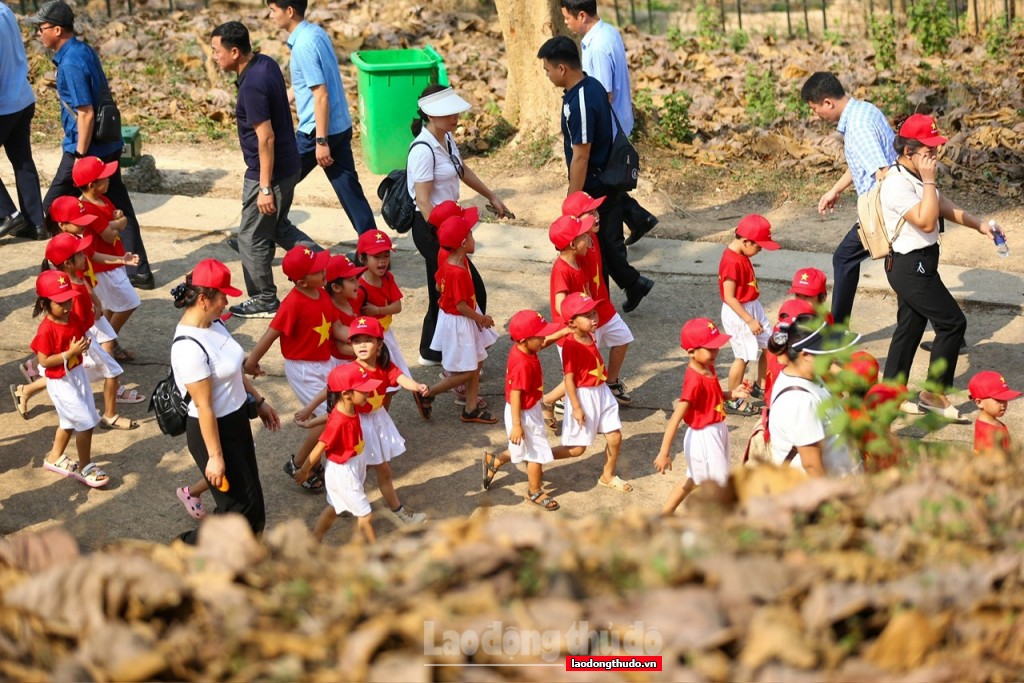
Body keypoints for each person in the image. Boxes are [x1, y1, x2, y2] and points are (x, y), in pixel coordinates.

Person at [879, 114, 1001, 420]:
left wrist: (979, 225)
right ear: (908, 151)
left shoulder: (917, 176)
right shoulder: (896, 184)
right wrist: (930, 179)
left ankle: (889, 394)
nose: (934, 156)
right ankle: (934, 393)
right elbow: (926, 220)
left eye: (936, 149)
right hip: (909, 266)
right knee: (952, 323)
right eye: (928, 151)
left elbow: (943, 205)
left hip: (921, 263)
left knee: (910, 327)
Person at [29, 0, 153, 287]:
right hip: (107, 146)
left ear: (57, 30)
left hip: (86, 151)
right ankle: (139, 270)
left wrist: (79, 159)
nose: (38, 34)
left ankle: (62, 267)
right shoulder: (83, 50)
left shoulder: (70, 62)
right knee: (118, 203)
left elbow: (84, 113)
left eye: (41, 28)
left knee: (53, 210)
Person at [210, 20, 320, 319]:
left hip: (271, 171)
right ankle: (326, 265)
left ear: (234, 52)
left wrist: (265, 187)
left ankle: (264, 298)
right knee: (277, 227)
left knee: (251, 237)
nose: (214, 57)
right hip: (286, 164)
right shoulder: (265, 63)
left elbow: (266, 137)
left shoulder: (253, 86)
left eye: (216, 51)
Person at [538, 35, 654, 313]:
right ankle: (632, 284)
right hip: (605, 180)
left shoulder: (579, 101)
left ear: (562, 69)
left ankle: (613, 296)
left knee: (601, 243)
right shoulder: (592, 85)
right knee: (605, 242)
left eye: (548, 70)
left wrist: (572, 201)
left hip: (595, 185)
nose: (548, 75)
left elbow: (581, 155)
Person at [170, 259, 280, 543]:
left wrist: (258, 401)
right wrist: (215, 457)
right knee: (236, 512)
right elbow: (204, 406)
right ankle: (186, 547)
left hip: (236, 422)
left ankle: (247, 560)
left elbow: (230, 371)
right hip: (213, 430)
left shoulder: (214, 323)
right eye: (222, 295)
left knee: (253, 505)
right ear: (204, 299)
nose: (227, 301)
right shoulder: (188, 347)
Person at [407, 84, 510, 366]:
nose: (455, 118)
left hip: (449, 228)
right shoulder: (422, 150)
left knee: (441, 291)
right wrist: (447, 239)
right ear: (431, 115)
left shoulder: (447, 139)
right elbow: (425, 202)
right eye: (448, 112)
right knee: (467, 290)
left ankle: (433, 352)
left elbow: (461, 170)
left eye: (455, 112)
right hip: (433, 229)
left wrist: (491, 196)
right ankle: (457, 355)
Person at [266, 0, 375, 236]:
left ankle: (256, 238)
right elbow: (304, 84)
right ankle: (374, 246)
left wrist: (321, 142)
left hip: (317, 131)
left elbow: (321, 95)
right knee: (349, 190)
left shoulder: (303, 45)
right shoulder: (316, 34)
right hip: (339, 125)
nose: (270, 15)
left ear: (289, 11)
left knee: (275, 181)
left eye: (273, 10)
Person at [558, 0, 658, 246]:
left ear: (582, 15)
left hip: (608, 129)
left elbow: (603, 94)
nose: (565, 23)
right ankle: (638, 218)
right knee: (609, 180)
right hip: (618, 121)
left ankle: (611, 235)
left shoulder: (599, 47)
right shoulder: (607, 32)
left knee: (603, 181)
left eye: (567, 17)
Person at [800, 72, 896, 325]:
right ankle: (949, 328)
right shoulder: (865, 110)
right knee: (908, 276)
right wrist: (836, 189)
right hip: (888, 209)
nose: (816, 115)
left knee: (844, 258)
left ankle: (837, 330)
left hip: (883, 211)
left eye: (815, 108)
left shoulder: (858, 127)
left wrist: (882, 219)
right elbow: (862, 163)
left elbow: (882, 172)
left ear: (828, 103)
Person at [243, 245, 342, 489]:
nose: (323, 270)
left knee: (336, 414)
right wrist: (251, 363)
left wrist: (365, 336)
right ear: (301, 281)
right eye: (317, 270)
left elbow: (337, 328)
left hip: (325, 363)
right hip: (303, 369)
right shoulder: (293, 303)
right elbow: (271, 334)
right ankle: (300, 464)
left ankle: (312, 462)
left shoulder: (322, 294)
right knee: (329, 419)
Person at [482, 310, 582, 512]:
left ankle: (494, 460)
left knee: (522, 449)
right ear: (526, 339)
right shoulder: (521, 363)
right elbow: (516, 395)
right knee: (536, 452)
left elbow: (544, 342)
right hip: (522, 412)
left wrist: (562, 332)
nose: (544, 338)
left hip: (528, 408)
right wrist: (517, 425)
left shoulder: (525, 348)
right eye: (540, 335)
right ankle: (534, 492)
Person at [413, 208, 499, 424]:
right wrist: (482, 320)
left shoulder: (451, 261)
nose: (473, 237)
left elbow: (437, 284)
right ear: (462, 243)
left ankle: (470, 408)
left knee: (477, 361)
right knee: (469, 370)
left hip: (459, 317)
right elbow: (461, 306)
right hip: (462, 320)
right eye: (470, 234)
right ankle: (429, 392)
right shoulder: (457, 271)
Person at [654, 318, 749, 514]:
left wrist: (732, 394)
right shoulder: (693, 382)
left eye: (717, 347)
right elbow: (676, 418)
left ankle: (664, 515)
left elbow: (713, 395)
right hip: (705, 436)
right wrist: (664, 453)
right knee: (718, 486)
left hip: (717, 429)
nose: (717, 352)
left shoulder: (708, 367)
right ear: (691, 352)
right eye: (710, 348)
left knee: (693, 480)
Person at [31, 270, 108, 487]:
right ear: (45, 304)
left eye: (68, 301)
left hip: (76, 374)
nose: (66, 307)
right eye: (60, 303)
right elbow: (44, 361)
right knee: (86, 422)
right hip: (61, 381)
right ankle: (86, 466)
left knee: (68, 421)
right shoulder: (46, 329)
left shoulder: (71, 317)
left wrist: (82, 346)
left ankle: (54, 457)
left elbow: (80, 333)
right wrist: (70, 352)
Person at [766, 314, 863, 478]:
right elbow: (812, 465)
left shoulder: (809, 376)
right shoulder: (799, 401)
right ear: (806, 355)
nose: (833, 357)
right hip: (821, 494)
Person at [294, 363, 379, 544]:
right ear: (346, 394)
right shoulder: (338, 422)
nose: (368, 393)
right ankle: (377, 552)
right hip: (344, 472)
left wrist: (310, 423)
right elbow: (319, 447)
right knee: (366, 515)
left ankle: (314, 541)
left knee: (334, 507)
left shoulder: (348, 408)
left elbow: (329, 415)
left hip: (354, 464)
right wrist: (304, 470)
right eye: (363, 390)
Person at [559, 292, 632, 492]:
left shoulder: (591, 335)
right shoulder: (571, 346)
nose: (595, 318)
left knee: (615, 435)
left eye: (594, 313)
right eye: (588, 316)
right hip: (584, 396)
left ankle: (607, 475)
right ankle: (537, 457)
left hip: (601, 392)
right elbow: (569, 379)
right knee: (576, 450)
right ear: (572, 323)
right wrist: (576, 407)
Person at [73, 156, 141, 360]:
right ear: (92, 185)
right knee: (129, 302)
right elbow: (110, 232)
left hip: (113, 262)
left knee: (112, 306)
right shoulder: (88, 208)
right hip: (103, 267)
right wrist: (117, 223)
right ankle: (106, 341)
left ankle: (107, 341)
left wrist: (115, 222)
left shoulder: (103, 200)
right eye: (104, 177)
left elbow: (120, 219)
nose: (109, 179)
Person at [718, 214, 779, 416]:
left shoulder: (742, 254)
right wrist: (749, 320)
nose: (761, 250)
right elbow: (729, 297)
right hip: (739, 313)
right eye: (759, 246)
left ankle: (760, 385)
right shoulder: (732, 263)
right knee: (742, 357)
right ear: (745, 241)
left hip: (752, 306)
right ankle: (733, 399)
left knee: (770, 346)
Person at [0, 1, 44, 240]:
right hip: (22, 97)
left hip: (3, 105)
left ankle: (6, 214)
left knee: (22, 161)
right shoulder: (5, 10)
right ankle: (35, 223)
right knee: (22, 161)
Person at [355, 230, 413, 394]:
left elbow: (397, 307)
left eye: (386, 256)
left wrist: (377, 310)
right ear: (362, 258)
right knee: (377, 383)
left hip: (386, 334)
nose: (382, 262)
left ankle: (383, 416)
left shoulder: (388, 278)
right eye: (376, 257)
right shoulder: (359, 287)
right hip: (370, 339)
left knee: (391, 385)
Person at [968, 370, 1019, 454]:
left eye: (1005, 399)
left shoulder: (991, 422)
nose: (1003, 404)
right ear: (979, 403)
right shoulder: (988, 434)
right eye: (998, 399)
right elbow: (992, 464)